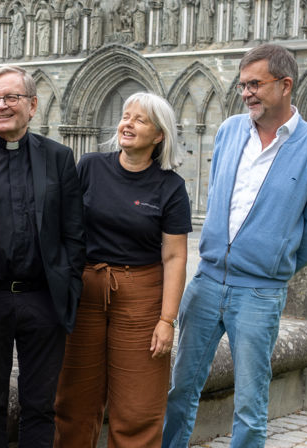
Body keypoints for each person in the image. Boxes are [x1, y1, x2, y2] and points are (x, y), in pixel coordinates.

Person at [162, 44, 307, 448]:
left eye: (255, 84)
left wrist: (273, 264)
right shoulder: (228, 130)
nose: (246, 93)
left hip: (259, 293)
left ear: (285, 85)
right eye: (242, 85)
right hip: (206, 283)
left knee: (250, 404)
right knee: (180, 389)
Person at [55, 92, 192, 448]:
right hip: (86, 291)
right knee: (74, 400)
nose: (127, 124)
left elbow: (175, 257)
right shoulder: (89, 166)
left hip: (141, 297)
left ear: (159, 135)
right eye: (125, 116)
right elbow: (64, 228)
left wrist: (167, 320)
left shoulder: (171, 187)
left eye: (139, 119)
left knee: (138, 406)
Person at [0, 65, 85, 447]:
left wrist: (68, 286)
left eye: (10, 97)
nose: (0, 106)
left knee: (41, 405)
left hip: (42, 299)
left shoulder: (59, 157)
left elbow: (74, 231)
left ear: (32, 105)